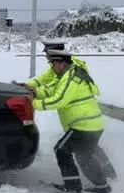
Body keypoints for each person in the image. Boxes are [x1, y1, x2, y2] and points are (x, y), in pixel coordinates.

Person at [22, 41, 117, 181]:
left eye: (51, 62)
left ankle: (79, 185)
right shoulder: (66, 71)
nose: (50, 64)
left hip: (83, 123)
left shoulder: (72, 74)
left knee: (65, 150)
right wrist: (34, 90)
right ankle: (109, 175)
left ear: (60, 62)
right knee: (90, 150)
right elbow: (52, 88)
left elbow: (59, 99)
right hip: (90, 122)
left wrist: (33, 103)